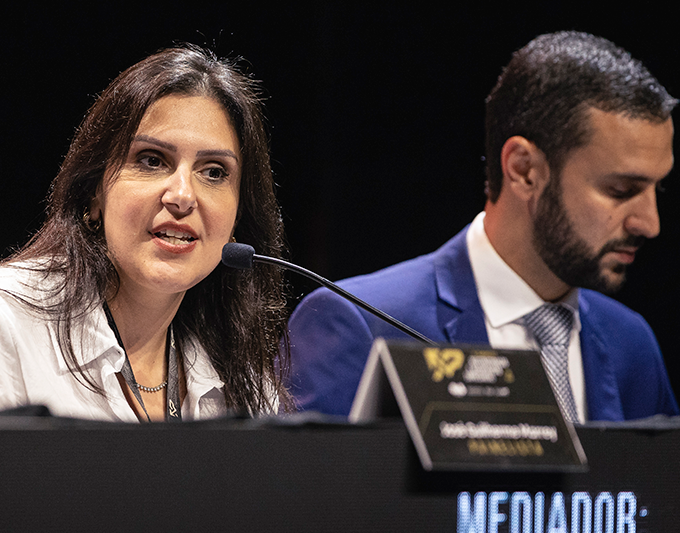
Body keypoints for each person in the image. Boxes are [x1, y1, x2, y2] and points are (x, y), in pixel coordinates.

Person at [0, 45, 291, 422]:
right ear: (94, 194)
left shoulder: (245, 386)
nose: (182, 196)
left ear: (237, 218)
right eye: (151, 160)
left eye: (214, 172)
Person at [288, 31, 678, 422]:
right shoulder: (361, 324)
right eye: (621, 190)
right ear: (524, 170)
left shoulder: (631, 344)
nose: (650, 223)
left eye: (657, 188)